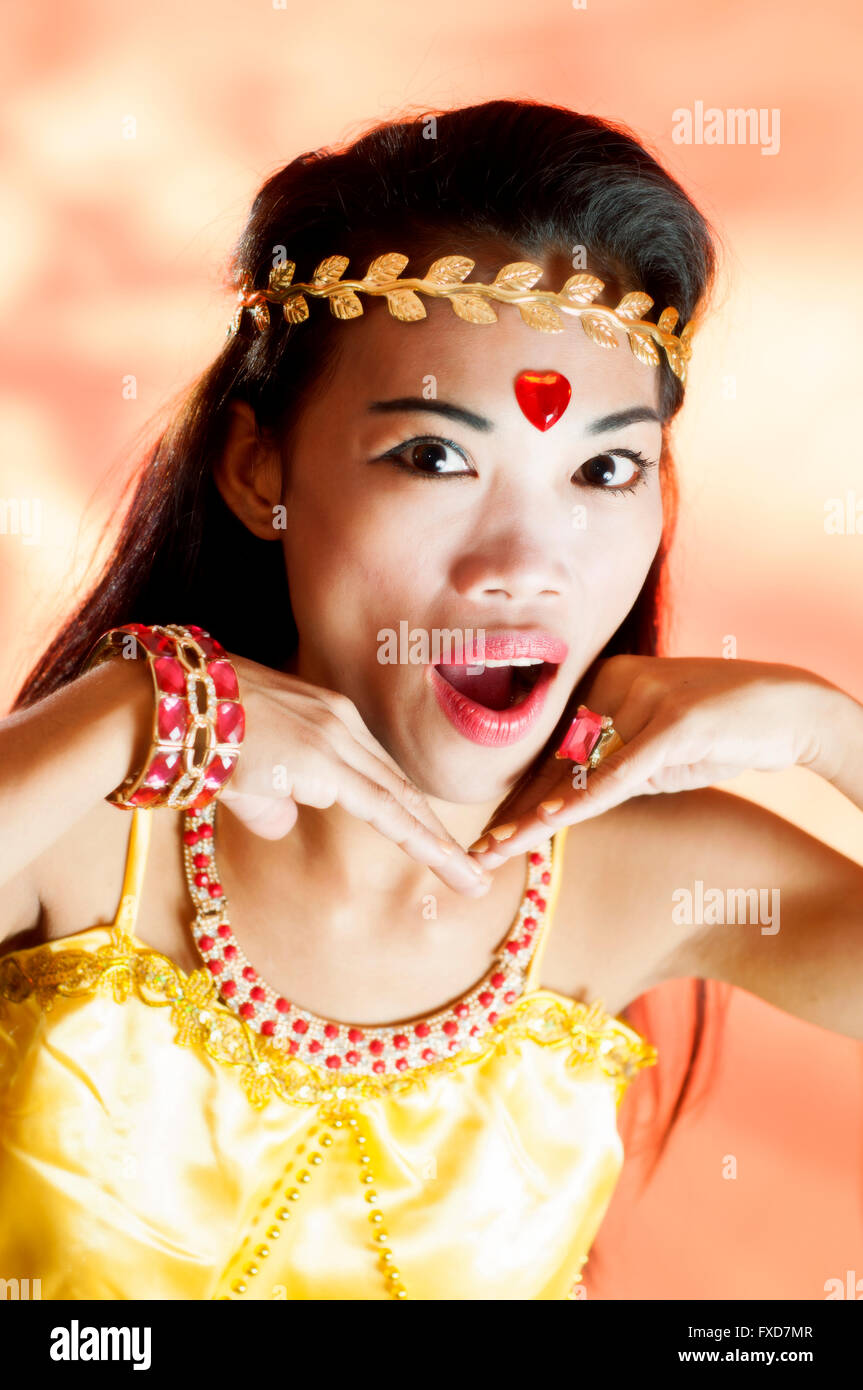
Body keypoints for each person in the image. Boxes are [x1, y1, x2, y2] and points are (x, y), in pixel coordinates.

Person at [1, 98, 861, 1302]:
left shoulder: (644, 871)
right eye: (434, 456)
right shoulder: (92, 834)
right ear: (261, 470)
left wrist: (831, 732)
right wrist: (126, 715)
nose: (525, 559)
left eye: (602, 469)